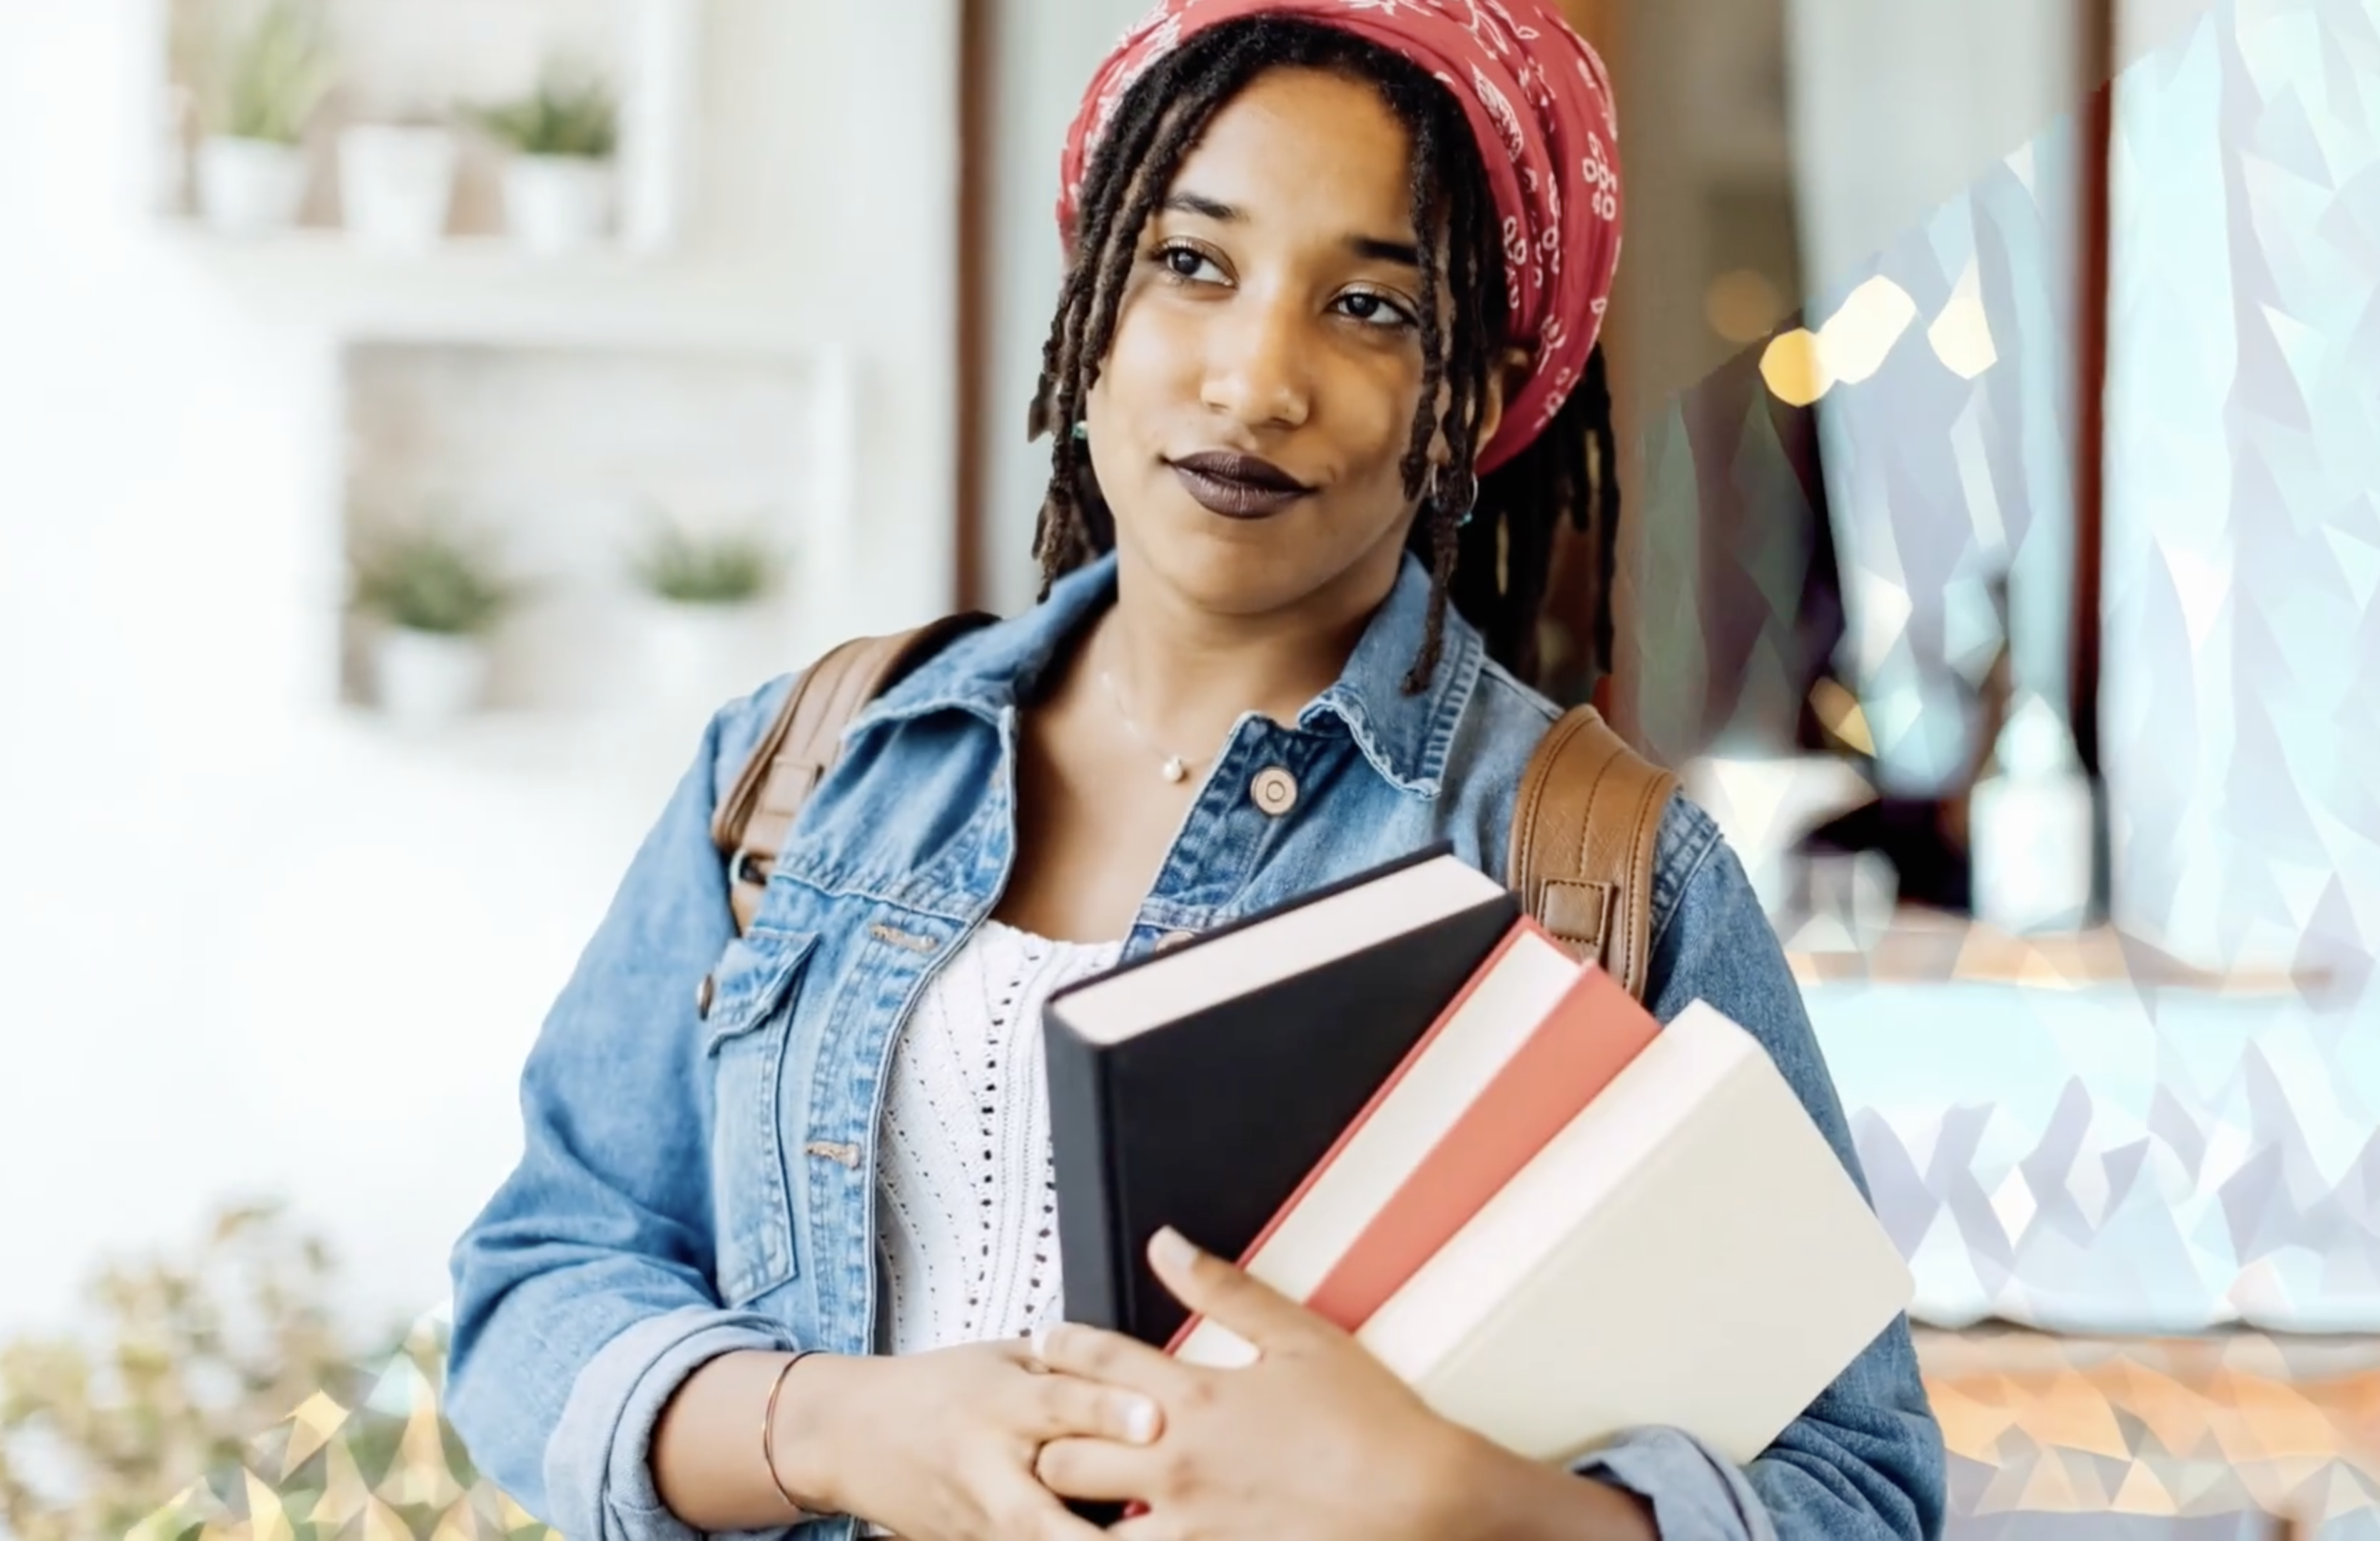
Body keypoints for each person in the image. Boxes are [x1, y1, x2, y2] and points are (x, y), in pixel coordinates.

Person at [442, 2, 1945, 1537]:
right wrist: (830, 1427)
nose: (1253, 380)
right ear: (1092, 302)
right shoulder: (815, 764)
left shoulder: (1600, 871)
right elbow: (538, 1291)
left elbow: (1863, 1490)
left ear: (1474, 400)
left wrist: (1448, 1499)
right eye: (1192, 263)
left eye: (1370, 308)